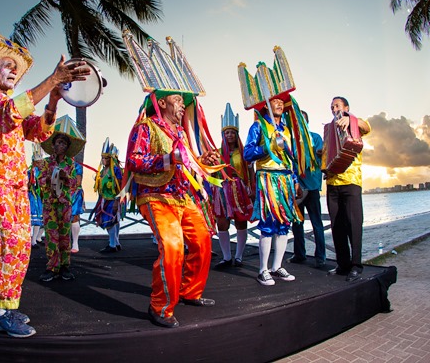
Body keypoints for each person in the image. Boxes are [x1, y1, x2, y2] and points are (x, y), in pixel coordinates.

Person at [0, 30, 90, 338]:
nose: (12, 71)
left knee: (19, 243)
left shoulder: (7, 100)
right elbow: (8, 114)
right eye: (6, 65)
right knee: (6, 243)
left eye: (15, 67)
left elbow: (38, 131)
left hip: (14, 184)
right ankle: (1, 312)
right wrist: (51, 80)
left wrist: (53, 99)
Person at [126, 92, 221, 328]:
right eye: (177, 100)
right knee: (172, 247)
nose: (182, 105)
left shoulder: (181, 132)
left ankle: (190, 291)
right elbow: (133, 161)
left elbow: (187, 163)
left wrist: (203, 161)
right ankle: (160, 307)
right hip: (156, 195)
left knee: (203, 240)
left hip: (182, 195)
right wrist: (168, 159)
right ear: (161, 103)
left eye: (183, 101)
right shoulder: (145, 127)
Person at [244, 98, 304, 286]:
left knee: (284, 223)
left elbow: (290, 158)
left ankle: (277, 266)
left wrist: (295, 180)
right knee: (268, 223)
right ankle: (263, 270)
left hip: (286, 179)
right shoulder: (258, 126)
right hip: (268, 177)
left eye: (281, 102)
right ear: (266, 106)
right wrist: (268, 147)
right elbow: (247, 154)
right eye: (274, 101)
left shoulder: (286, 130)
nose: (279, 104)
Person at [324, 96, 371, 282]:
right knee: (337, 226)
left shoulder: (354, 122)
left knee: (354, 225)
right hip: (332, 183)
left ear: (346, 107)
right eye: (332, 107)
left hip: (351, 181)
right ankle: (342, 264)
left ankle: (356, 265)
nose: (334, 109)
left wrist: (351, 119)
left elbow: (367, 127)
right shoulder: (329, 129)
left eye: (337, 105)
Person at [37, 118, 85, 282]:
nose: (61, 146)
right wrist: (49, 178)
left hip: (64, 204)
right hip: (50, 204)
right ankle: (52, 267)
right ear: (53, 145)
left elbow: (75, 183)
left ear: (67, 147)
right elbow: (39, 181)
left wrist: (65, 178)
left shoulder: (71, 164)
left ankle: (65, 266)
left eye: (64, 143)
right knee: (51, 235)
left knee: (64, 235)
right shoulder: (46, 163)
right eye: (58, 142)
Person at [213, 103, 255, 269]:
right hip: (222, 189)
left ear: (237, 134)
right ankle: (226, 257)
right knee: (222, 223)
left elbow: (250, 170)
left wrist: (252, 187)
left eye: (232, 132)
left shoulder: (243, 152)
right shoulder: (217, 152)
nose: (229, 135)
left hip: (240, 189)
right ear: (223, 135)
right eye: (227, 132)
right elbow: (212, 172)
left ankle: (238, 256)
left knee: (240, 222)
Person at [288, 110, 326, 269]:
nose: (299, 123)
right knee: (297, 222)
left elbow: (322, 157)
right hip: (297, 187)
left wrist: (320, 153)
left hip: (312, 186)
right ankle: (299, 254)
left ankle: (320, 257)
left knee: (316, 222)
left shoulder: (315, 138)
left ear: (307, 122)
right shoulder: (291, 141)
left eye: (302, 120)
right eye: (296, 120)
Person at [92, 138, 125, 253]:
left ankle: (112, 244)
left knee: (110, 221)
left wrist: (117, 200)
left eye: (106, 158)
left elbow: (120, 186)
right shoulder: (102, 171)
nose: (103, 160)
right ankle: (116, 243)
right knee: (112, 221)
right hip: (103, 199)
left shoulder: (115, 170)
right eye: (102, 158)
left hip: (112, 200)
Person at [28, 146, 45, 249]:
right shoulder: (30, 172)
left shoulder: (43, 172)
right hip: (32, 196)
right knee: (32, 218)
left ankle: (35, 239)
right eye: (38, 162)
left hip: (39, 197)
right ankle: (30, 240)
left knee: (40, 219)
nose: (40, 164)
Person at [70, 161, 84, 253]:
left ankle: (75, 243)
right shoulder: (57, 164)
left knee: (74, 217)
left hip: (74, 194)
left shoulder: (76, 166)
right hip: (60, 193)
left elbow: (78, 182)